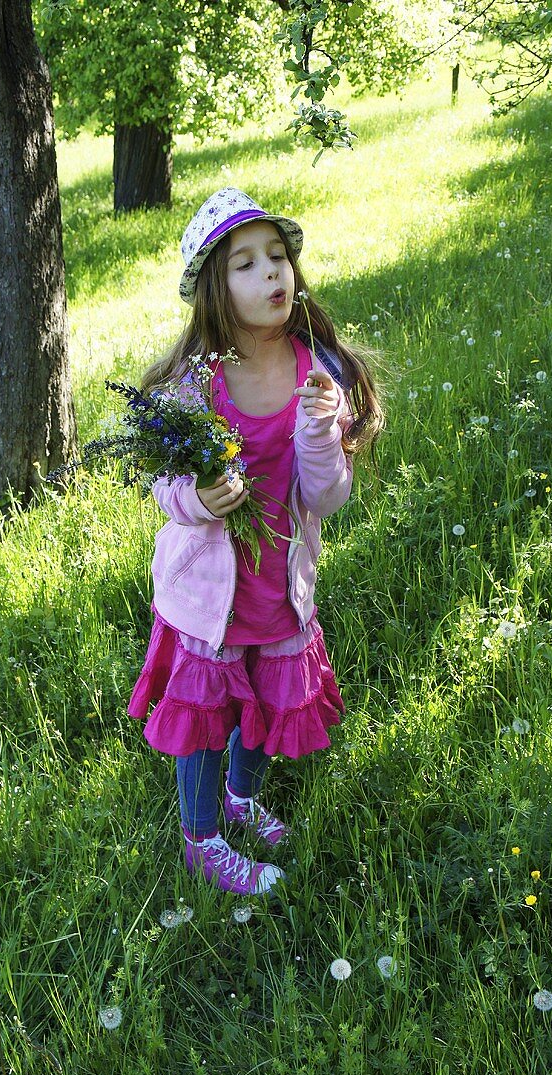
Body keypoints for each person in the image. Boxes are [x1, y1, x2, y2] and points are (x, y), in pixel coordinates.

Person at [128, 187, 383, 896]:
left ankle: (241, 800)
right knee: (209, 716)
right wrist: (199, 498)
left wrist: (317, 435)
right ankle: (201, 838)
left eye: (278, 257)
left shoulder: (316, 371)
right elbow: (167, 489)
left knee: (265, 702)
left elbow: (327, 497)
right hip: (210, 590)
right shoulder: (195, 382)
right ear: (215, 285)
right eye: (246, 264)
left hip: (277, 580)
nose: (272, 274)